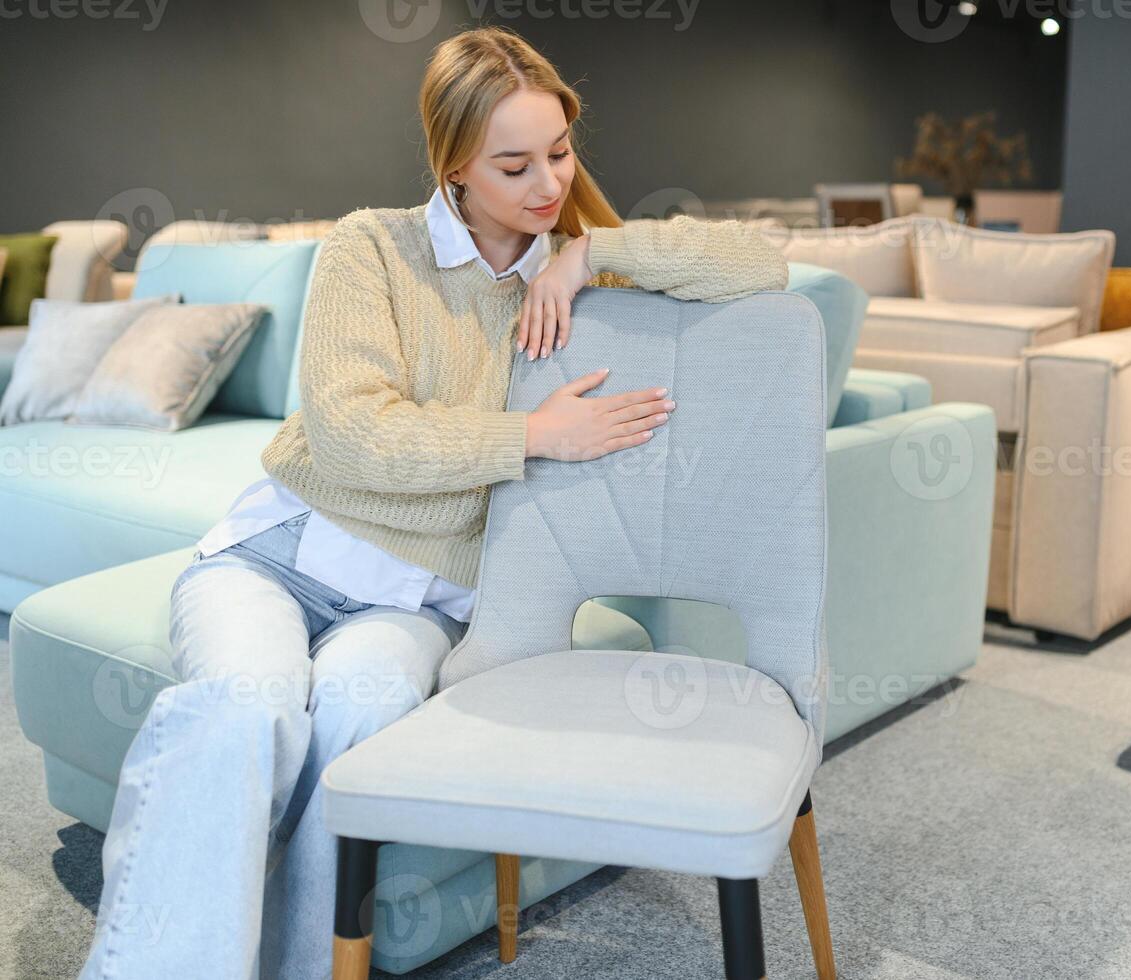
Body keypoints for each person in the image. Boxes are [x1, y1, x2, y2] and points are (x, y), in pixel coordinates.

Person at [77, 24, 789, 980]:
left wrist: (591, 254)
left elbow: (762, 264)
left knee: (360, 724)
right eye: (513, 165)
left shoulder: (575, 264)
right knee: (246, 710)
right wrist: (531, 437)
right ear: (453, 166)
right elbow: (354, 433)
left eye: (559, 153)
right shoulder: (370, 247)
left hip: (420, 601)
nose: (546, 185)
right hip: (279, 558)